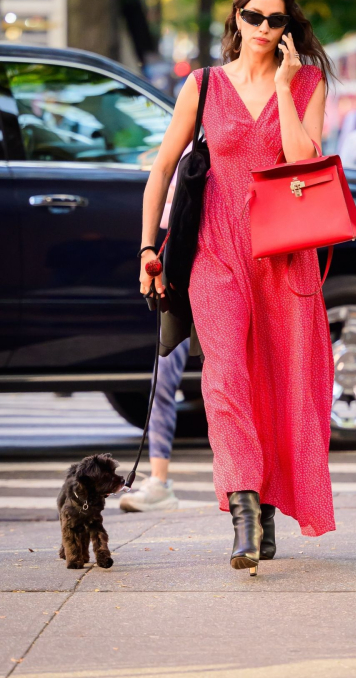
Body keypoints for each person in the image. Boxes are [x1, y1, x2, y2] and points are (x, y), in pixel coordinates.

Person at [138, 0, 337, 575]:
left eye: (275, 21)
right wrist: (147, 247)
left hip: (283, 255)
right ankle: (244, 513)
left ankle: (271, 505)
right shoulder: (202, 85)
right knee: (224, 378)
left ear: (288, 29)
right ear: (237, 18)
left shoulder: (306, 83)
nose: (263, 30)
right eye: (254, 18)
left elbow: (306, 159)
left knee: (284, 383)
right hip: (215, 251)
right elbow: (163, 169)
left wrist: (282, 84)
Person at [121, 171, 190, 513]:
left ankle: (256, 490)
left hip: (219, 267)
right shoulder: (187, 139)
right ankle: (159, 480)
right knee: (164, 378)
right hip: (179, 272)